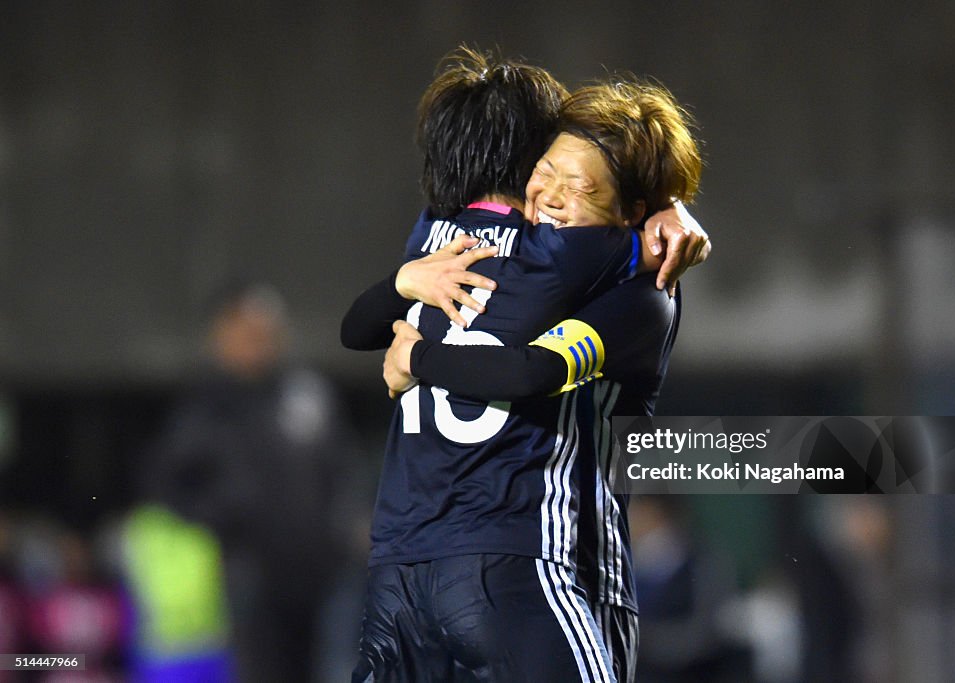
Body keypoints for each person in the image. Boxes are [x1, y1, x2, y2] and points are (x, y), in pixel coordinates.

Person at [342, 48, 706, 682]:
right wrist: (662, 223)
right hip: (538, 569)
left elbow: (356, 328)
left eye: (580, 185)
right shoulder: (621, 287)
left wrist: (415, 344)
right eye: (546, 170)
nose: (553, 196)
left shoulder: (437, 241)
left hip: (400, 576)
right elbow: (532, 371)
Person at [147, 281, 367, 683]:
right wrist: (225, 516)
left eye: (265, 333)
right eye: (246, 333)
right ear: (221, 336)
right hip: (250, 576)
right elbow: (170, 483)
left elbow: (343, 467)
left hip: (322, 572)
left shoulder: (305, 393)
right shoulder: (206, 406)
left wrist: (348, 523)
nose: (257, 343)